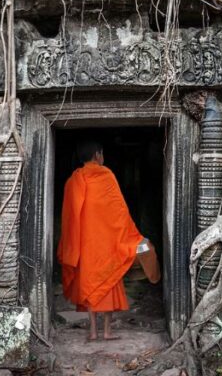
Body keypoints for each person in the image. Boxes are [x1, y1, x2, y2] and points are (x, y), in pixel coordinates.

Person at [58, 140, 153, 341]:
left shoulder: (73, 181)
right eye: (102, 154)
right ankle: (107, 332)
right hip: (108, 244)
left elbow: (69, 218)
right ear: (98, 155)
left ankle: (93, 332)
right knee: (108, 283)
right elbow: (119, 212)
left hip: (84, 245)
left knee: (90, 285)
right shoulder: (106, 175)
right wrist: (133, 236)